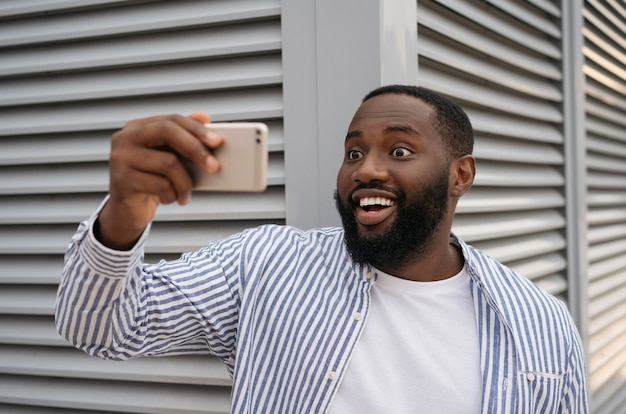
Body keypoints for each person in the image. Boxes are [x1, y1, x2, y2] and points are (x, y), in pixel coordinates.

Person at [55, 85, 588, 413]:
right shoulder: (265, 264)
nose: (366, 169)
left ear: (461, 175)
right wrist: (125, 212)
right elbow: (98, 329)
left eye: (399, 150)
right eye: (353, 151)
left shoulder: (541, 323)